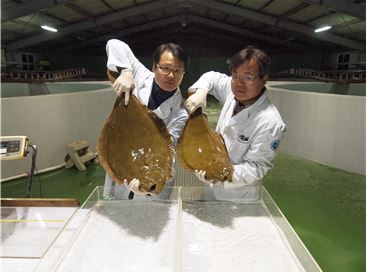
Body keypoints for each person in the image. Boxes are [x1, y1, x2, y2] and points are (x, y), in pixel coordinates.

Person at [184, 46, 287, 201]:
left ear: (264, 79)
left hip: (238, 195)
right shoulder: (232, 91)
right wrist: (201, 92)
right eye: (235, 75)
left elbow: (257, 167)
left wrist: (220, 174)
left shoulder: (270, 122)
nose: (239, 84)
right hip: (211, 186)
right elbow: (211, 77)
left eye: (248, 77)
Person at [103, 39, 189, 199]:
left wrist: (148, 177)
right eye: (165, 68)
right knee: (116, 212)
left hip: (151, 178)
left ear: (183, 74)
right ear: (154, 67)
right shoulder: (139, 74)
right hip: (122, 157)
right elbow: (114, 43)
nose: (171, 75)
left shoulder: (181, 113)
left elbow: (168, 147)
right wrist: (126, 72)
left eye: (178, 71)